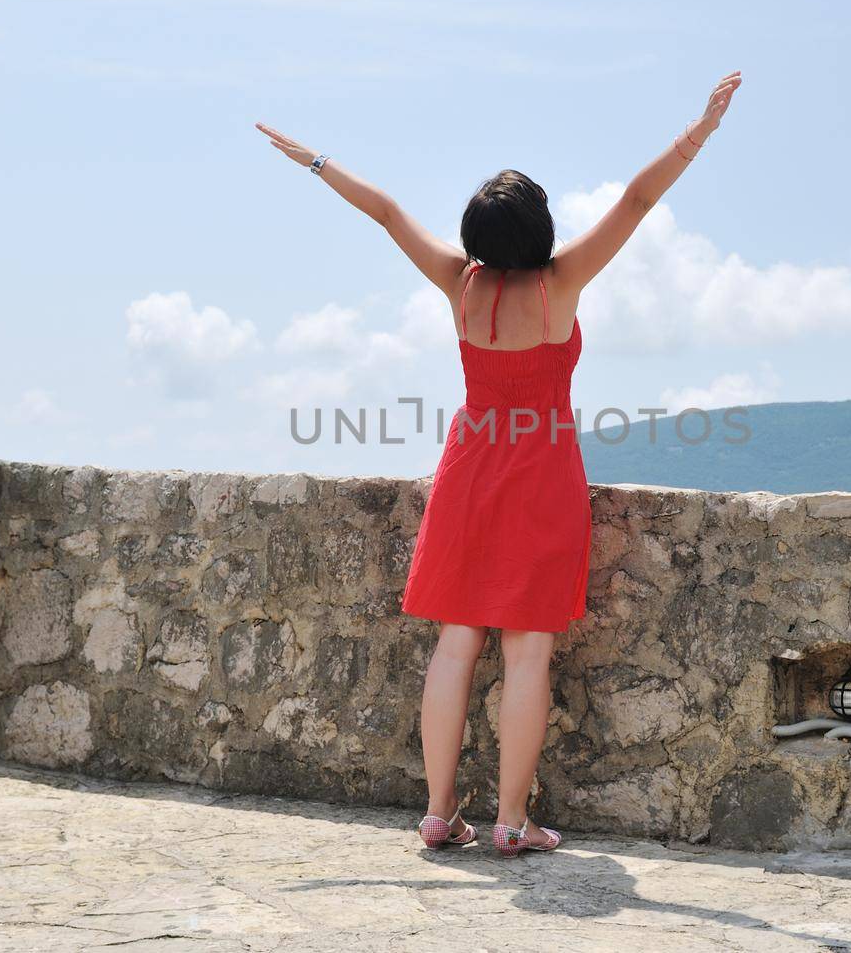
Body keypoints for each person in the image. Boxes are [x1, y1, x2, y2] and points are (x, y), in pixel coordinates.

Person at [254, 70, 742, 857]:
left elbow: (384, 210)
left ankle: (440, 813)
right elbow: (638, 200)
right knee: (527, 648)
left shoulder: (460, 283)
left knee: (456, 641)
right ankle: (513, 822)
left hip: (469, 468)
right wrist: (700, 130)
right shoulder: (561, 285)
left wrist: (314, 161)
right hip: (542, 474)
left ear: (478, 236)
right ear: (540, 232)